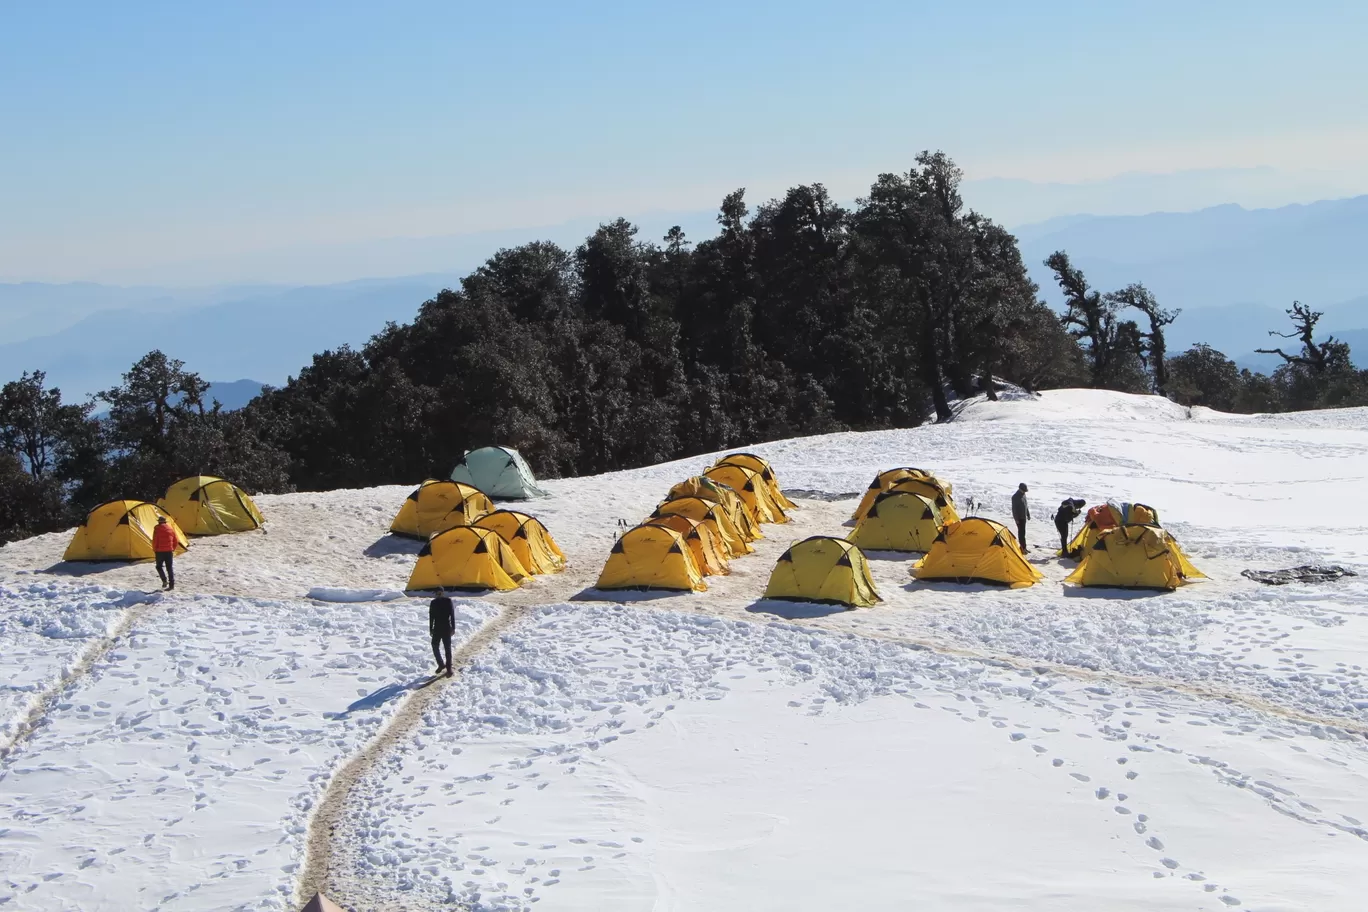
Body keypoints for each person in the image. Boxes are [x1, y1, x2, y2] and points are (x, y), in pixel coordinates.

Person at [429, 587, 455, 677]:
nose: (438, 594)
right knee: (434, 645)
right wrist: (431, 628)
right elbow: (431, 617)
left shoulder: (448, 601)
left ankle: (449, 668)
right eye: (437, 593)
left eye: (439, 592)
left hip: (446, 627)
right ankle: (441, 664)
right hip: (437, 628)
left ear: (443, 593)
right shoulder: (433, 603)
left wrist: (453, 628)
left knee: (447, 649)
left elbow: (452, 615)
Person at [152, 516, 180, 590]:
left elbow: (155, 540)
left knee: (158, 566)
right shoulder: (170, 529)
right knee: (169, 568)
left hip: (159, 552)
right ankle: (171, 585)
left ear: (159, 522)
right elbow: (176, 541)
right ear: (165, 522)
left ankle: (164, 580)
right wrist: (172, 548)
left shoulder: (157, 529)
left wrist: (155, 549)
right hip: (169, 551)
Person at [1011, 483, 1030, 551]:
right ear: (1020, 489)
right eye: (1023, 490)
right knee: (1021, 534)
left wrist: (1028, 514)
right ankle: (1022, 548)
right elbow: (1014, 509)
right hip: (1019, 518)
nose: (1024, 492)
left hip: (1023, 517)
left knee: (1023, 533)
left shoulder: (1023, 495)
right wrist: (1016, 519)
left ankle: (1024, 547)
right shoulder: (1015, 497)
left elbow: (1025, 505)